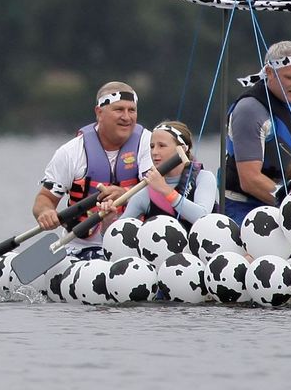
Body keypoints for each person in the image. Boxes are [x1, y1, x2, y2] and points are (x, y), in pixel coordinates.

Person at [32, 82, 164, 260]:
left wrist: (124, 193)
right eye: (119, 110)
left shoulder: (150, 144)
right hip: (80, 248)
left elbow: (159, 193)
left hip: (137, 246)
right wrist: (46, 213)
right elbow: (44, 199)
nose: (127, 117)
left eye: (131, 110)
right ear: (99, 112)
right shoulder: (71, 152)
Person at [223, 41, 291, 224]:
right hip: (245, 206)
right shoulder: (250, 110)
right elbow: (250, 180)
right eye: (290, 77)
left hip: (290, 201)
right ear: (269, 73)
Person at [106, 121, 218, 229]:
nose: (154, 152)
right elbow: (116, 236)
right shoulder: (145, 192)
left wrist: (165, 190)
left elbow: (203, 218)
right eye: (152, 146)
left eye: (162, 146)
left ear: (182, 149)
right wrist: (108, 222)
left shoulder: (203, 178)